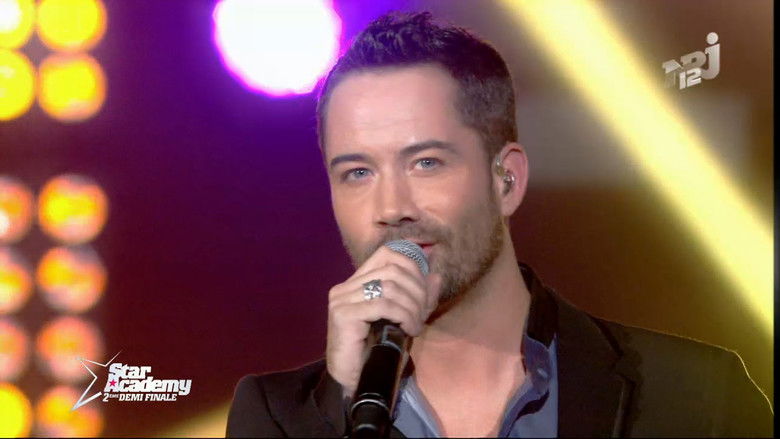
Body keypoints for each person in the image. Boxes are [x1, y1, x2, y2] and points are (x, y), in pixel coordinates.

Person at [226, 11, 772, 438]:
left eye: (426, 162)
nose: (391, 206)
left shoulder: (698, 396)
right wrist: (342, 405)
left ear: (506, 180)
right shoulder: (278, 419)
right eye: (358, 172)